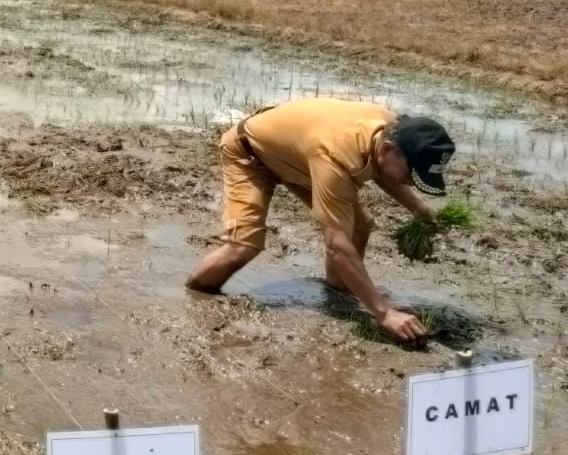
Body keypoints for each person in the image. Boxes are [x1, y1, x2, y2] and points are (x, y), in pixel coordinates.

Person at [187, 99, 458, 341]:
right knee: (244, 245)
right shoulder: (336, 157)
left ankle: (339, 286)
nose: (410, 182)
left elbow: (384, 171)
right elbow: (336, 245)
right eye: (411, 175)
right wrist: (384, 311)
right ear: (387, 149)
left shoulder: (391, 130)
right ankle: (195, 292)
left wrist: (419, 208)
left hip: (296, 155)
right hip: (249, 153)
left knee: (360, 226)